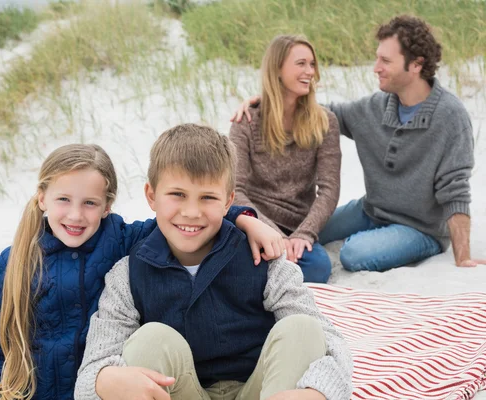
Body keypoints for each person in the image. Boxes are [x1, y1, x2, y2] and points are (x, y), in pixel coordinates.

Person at [0, 144, 285, 400]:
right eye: (63, 200)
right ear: (42, 198)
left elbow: (181, 219)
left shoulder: (122, 238)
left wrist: (246, 219)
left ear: (106, 205)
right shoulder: (16, 260)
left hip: (107, 388)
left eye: (89, 203)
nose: (75, 214)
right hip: (38, 392)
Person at [75, 125, 353, 400]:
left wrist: (317, 392)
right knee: (150, 339)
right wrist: (103, 379)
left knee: (302, 328)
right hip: (181, 392)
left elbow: (331, 344)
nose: (191, 212)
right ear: (151, 196)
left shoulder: (263, 259)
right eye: (177, 194)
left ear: (228, 201)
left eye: (207, 197)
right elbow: (88, 376)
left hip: (262, 389)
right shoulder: (128, 275)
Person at [232, 15, 485, 271]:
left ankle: (426, 245)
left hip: (419, 226)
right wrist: (266, 101)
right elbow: (314, 112)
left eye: (385, 61)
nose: (376, 67)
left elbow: (456, 192)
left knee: (353, 254)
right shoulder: (374, 108)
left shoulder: (451, 117)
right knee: (307, 228)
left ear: (416, 65)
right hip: (370, 210)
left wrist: (462, 256)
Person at [229, 35, 341, 283]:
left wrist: (304, 234)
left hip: (299, 227)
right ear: (277, 69)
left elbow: (330, 188)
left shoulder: (325, 122)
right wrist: (270, 233)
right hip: (255, 221)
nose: (310, 71)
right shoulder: (247, 121)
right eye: (301, 63)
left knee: (319, 267)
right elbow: (235, 189)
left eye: (312, 64)